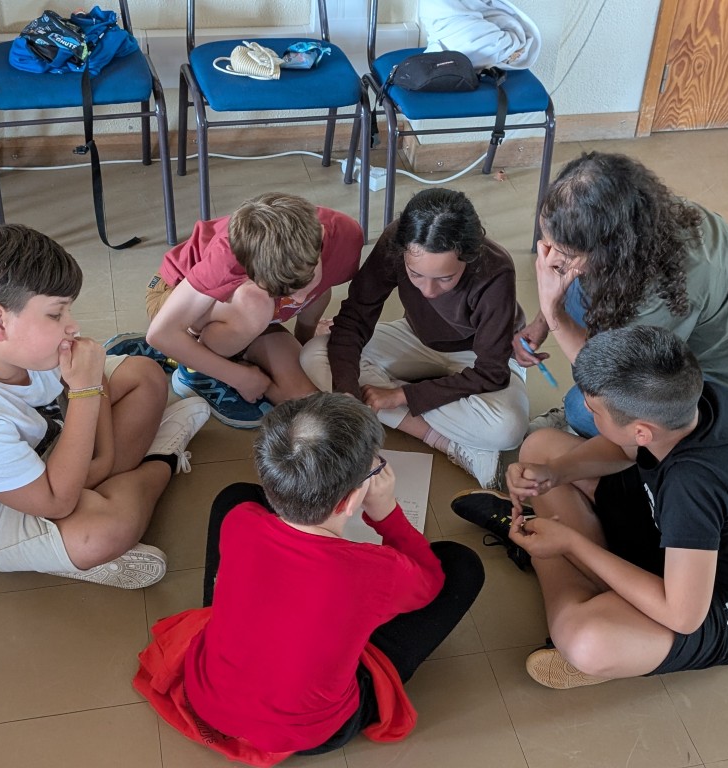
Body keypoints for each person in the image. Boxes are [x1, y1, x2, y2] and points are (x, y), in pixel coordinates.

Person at [452, 326, 728, 689]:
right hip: (675, 531)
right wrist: (553, 475)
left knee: (584, 640)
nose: (586, 412)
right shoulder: (691, 401)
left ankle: (549, 557)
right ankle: (582, 572)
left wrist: (571, 543)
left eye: (594, 410)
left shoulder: (692, 487)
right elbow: (624, 449)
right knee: (540, 450)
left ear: (642, 431)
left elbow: (683, 616)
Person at [134, 392, 484, 762]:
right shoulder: (380, 570)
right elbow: (430, 582)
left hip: (208, 700)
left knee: (235, 496)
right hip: (312, 732)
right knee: (461, 566)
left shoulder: (242, 520)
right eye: (373, 471)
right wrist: (386, 513)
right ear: (351, 500)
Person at [0, 224, 210, 588]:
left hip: (27, 447)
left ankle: (58, 536)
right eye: (56, 314)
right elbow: (57, 501)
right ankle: (161, 457)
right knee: (104, 531)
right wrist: (87, 392)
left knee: (146, 376)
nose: (73, 326)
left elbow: (85, 392)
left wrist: (99, 450)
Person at [513, 151, 728, 437]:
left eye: (564, 252)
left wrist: (553, 312)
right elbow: (568, 275)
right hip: (711, 340)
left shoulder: (664, 291)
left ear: (609, 249)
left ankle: (607, 443)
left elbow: (613, 383)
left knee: (584, 410)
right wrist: (541, 322)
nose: (549, 258)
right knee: (579, 290)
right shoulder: (639, 220)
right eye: (547, 243)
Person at [301, 188, 528, 488]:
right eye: (415, 274)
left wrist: (401, 395)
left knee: (509, 428)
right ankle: (443, 439)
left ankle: (397, 398)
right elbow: (355, 317)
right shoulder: (396, 240)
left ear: (469, 256)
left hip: (480, 352)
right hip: (418, 336)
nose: (428, 292)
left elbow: (491, 372)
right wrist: (347, 393)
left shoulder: (495, 268)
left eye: (445, 278)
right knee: (314, 354)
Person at [106, 192, 364, 428]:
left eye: (304, 281)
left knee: (306, 403)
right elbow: (161, 333)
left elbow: (321, 291)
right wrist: (239, 378)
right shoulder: (227, 256)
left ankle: (218, 355)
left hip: (251, 316)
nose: (298, 298)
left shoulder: (347, 236)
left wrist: (304, 343)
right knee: (256, 302)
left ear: (320, 236)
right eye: (281, 289)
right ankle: (192, 367)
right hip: (175, 297)